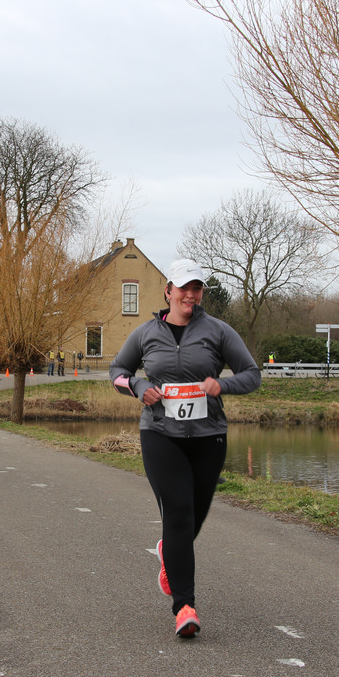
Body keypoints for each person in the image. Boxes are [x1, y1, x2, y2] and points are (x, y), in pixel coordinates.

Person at [109, 258, 261, 639]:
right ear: (168, 292)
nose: (190, 295)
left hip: (209, 437)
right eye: (184, 288)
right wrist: (139, 387)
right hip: (160, 434)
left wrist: (222, 385)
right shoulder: (145, 334)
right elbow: (117, 372)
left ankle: (169, 553)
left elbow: (252, 375)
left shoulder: (218, 331)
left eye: (197, 288)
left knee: (193, 517)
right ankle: (184, 607)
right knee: (178, 511)